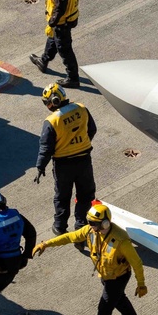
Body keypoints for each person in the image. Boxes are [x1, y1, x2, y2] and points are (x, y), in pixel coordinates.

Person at [32, 201, 147, 315]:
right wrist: (46, 244)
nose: (90, 225)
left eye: (93, 223)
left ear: (105, 223)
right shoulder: (91, 231)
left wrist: (141, 284)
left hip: (117, 278)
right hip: (106, 276)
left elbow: (137, 263)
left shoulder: (121, 240)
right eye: (90, 222)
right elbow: (70, 237)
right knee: (120, 300)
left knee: (103, 314)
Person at [34, 83, 96, 240]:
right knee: (85, 194)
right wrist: (81, 144)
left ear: (53, 101)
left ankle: (60, 226)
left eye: (46, 102)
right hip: (84, 161)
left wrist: (41, 167)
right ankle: (81, 227)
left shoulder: (52, 121)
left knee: (62, 196)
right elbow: (92, 129)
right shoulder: (81, 108)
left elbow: (46, 148)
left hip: (63, 165)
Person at [29, 0, 81, 88]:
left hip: (62, 22)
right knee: (53, 39)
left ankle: (73, 78)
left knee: (65, 50)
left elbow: (60, 8)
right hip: (67, 19)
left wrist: (52, 22)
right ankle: (43, 60)